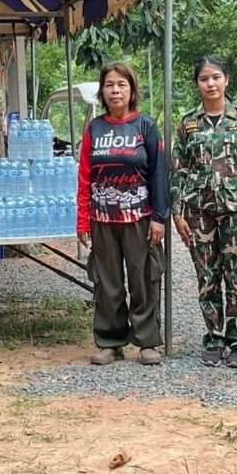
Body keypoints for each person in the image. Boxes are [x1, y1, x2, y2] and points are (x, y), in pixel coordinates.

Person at [172, 57, 237, 368]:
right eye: (204, 79)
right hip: (199, 212)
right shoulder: (188, 123)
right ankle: (214, 336)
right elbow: (179, 170)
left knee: (236, 277)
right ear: (197, 84)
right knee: (207, 277)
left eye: (216, 77)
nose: (210, 84)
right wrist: (178, 213)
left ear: (226, 80)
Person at [77, 62, 168, 366]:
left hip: (140, 219)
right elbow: (85, 177)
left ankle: (147, 342)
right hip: (103, 219)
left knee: (144, 280)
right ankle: (110, 342)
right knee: (108, 283)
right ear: (102, 92)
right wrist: (83, 220)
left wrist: (159, 217)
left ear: (131, 90)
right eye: (109, 85)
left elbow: (159, 175)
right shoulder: (95, 128)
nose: (115, 90)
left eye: (121, 85)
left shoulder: (145, 126)